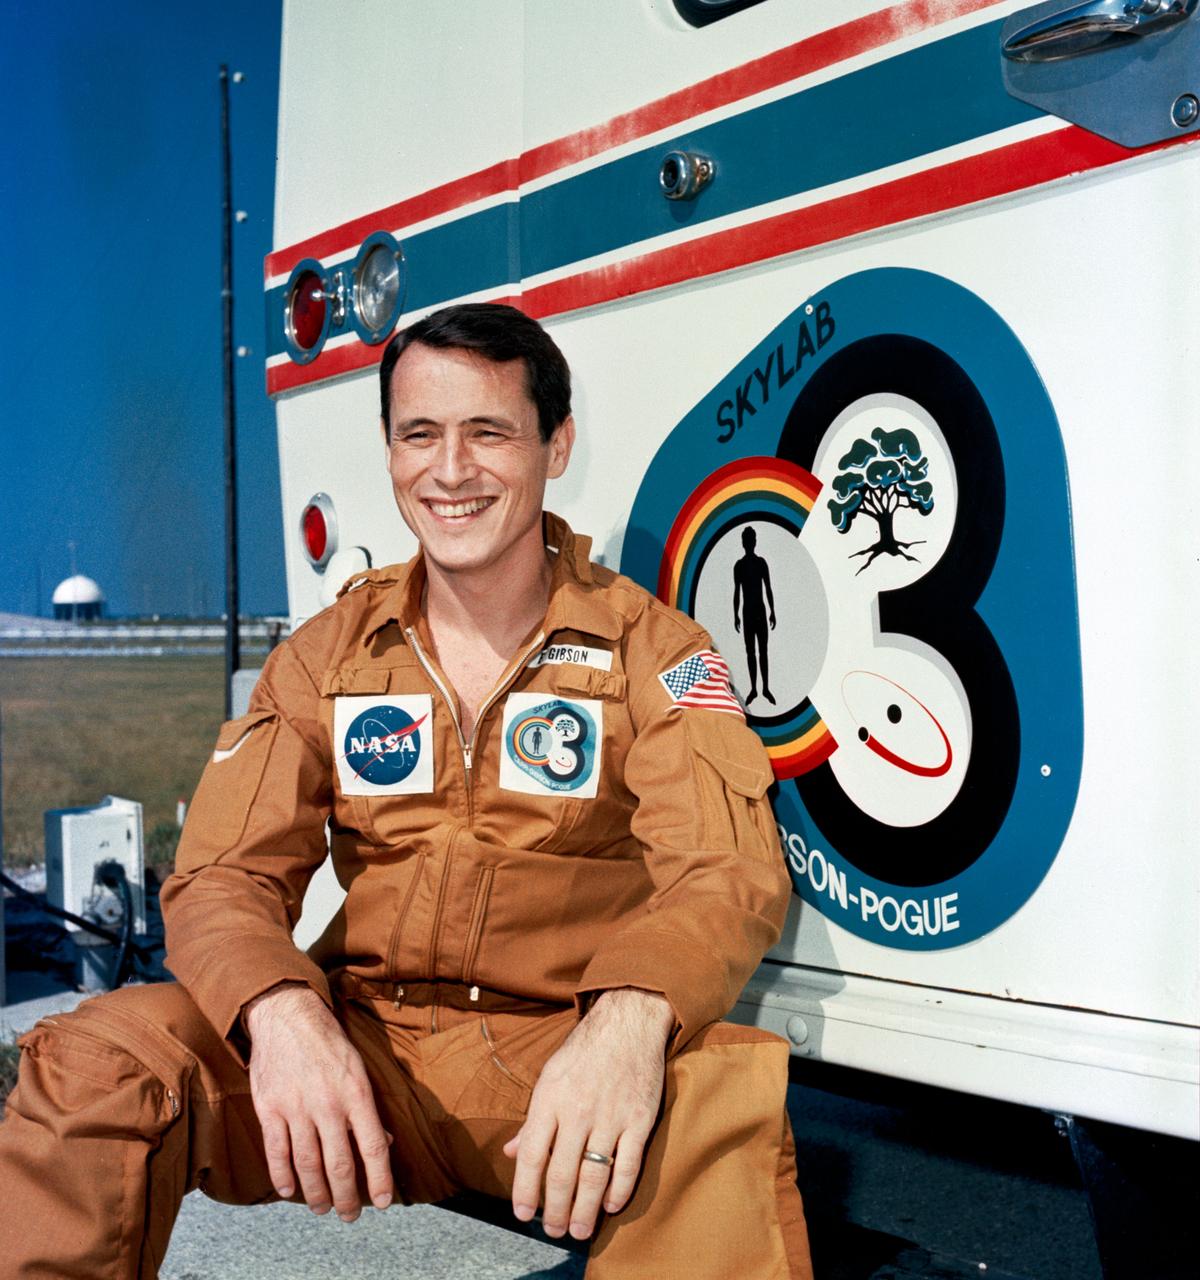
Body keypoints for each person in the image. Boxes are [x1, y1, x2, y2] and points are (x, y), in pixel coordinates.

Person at [0, 304, 813, 1279]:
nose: (451, 468)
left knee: (720, 1090)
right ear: (389, 451)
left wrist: (631, 1017)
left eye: (489, 432)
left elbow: (726, 867)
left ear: (555, 446)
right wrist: (282, 1011)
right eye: (419, 433)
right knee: (102, 1059)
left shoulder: (654, 649)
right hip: (361, 1050)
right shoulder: (327, 654)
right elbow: (222, 874)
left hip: (553, 1063)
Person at [733, 525, 777, 707]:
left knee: (763, 651)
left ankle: (765, 688)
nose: (749, 543)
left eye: (751, 540)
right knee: (750, 652)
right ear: (744, 543)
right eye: (747, 540)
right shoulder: (739, 566)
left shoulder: (761, 563)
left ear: (754, 542)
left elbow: (768, 588)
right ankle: (754, 688)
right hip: (748, 612)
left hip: (760, 610)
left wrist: (773, 611)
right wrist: (735, 614)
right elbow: (737, 592)